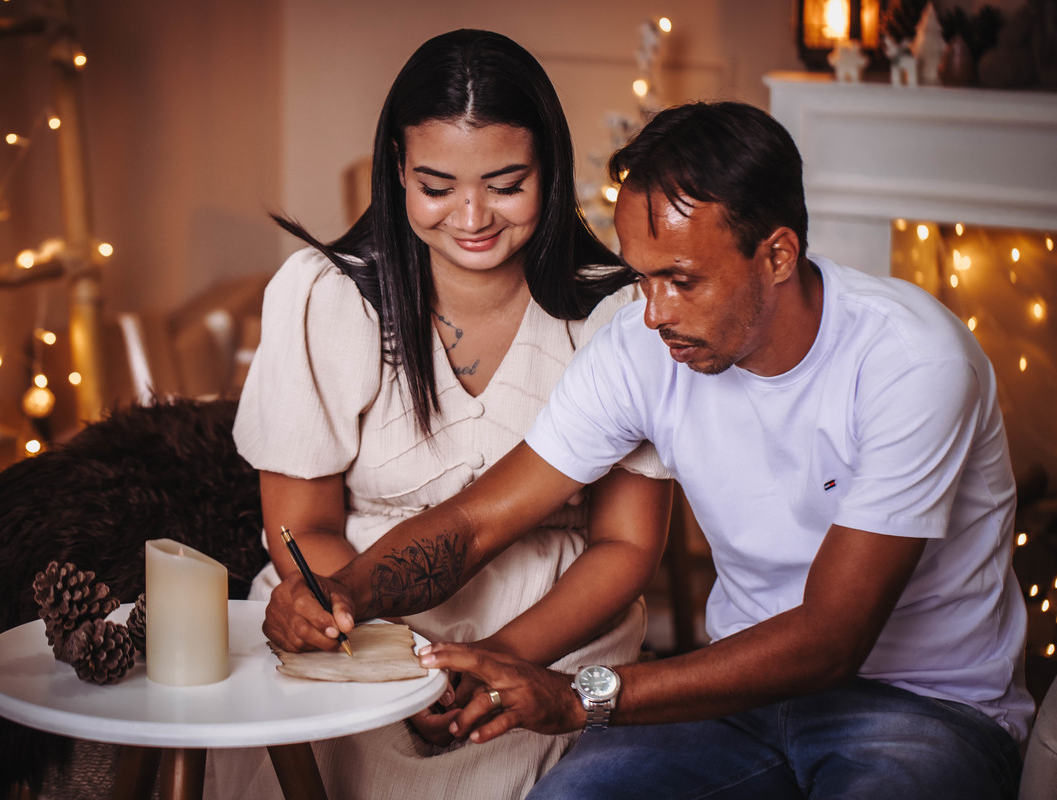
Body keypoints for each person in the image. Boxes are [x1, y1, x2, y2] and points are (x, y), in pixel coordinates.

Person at [266, 100, 1035, 799]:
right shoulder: (643, 345)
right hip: (736, 702)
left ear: (776, 255)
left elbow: (832, 638)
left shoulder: (912, 361)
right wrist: (346, 591)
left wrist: (579, 697)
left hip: (923, 705)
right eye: (641, 279)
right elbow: (478, 522)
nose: (654, 311)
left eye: (682, 280)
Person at [208, 29, 672, 800]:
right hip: (355, 620)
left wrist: (501, 658)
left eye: (506, 183)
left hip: (553, 628)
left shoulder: (620, 313)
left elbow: (625, 545)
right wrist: (397, 658)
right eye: (437, 185)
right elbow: (301, 527)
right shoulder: (324, 296)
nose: (472, 215)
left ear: (550, 169)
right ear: (397, 168)